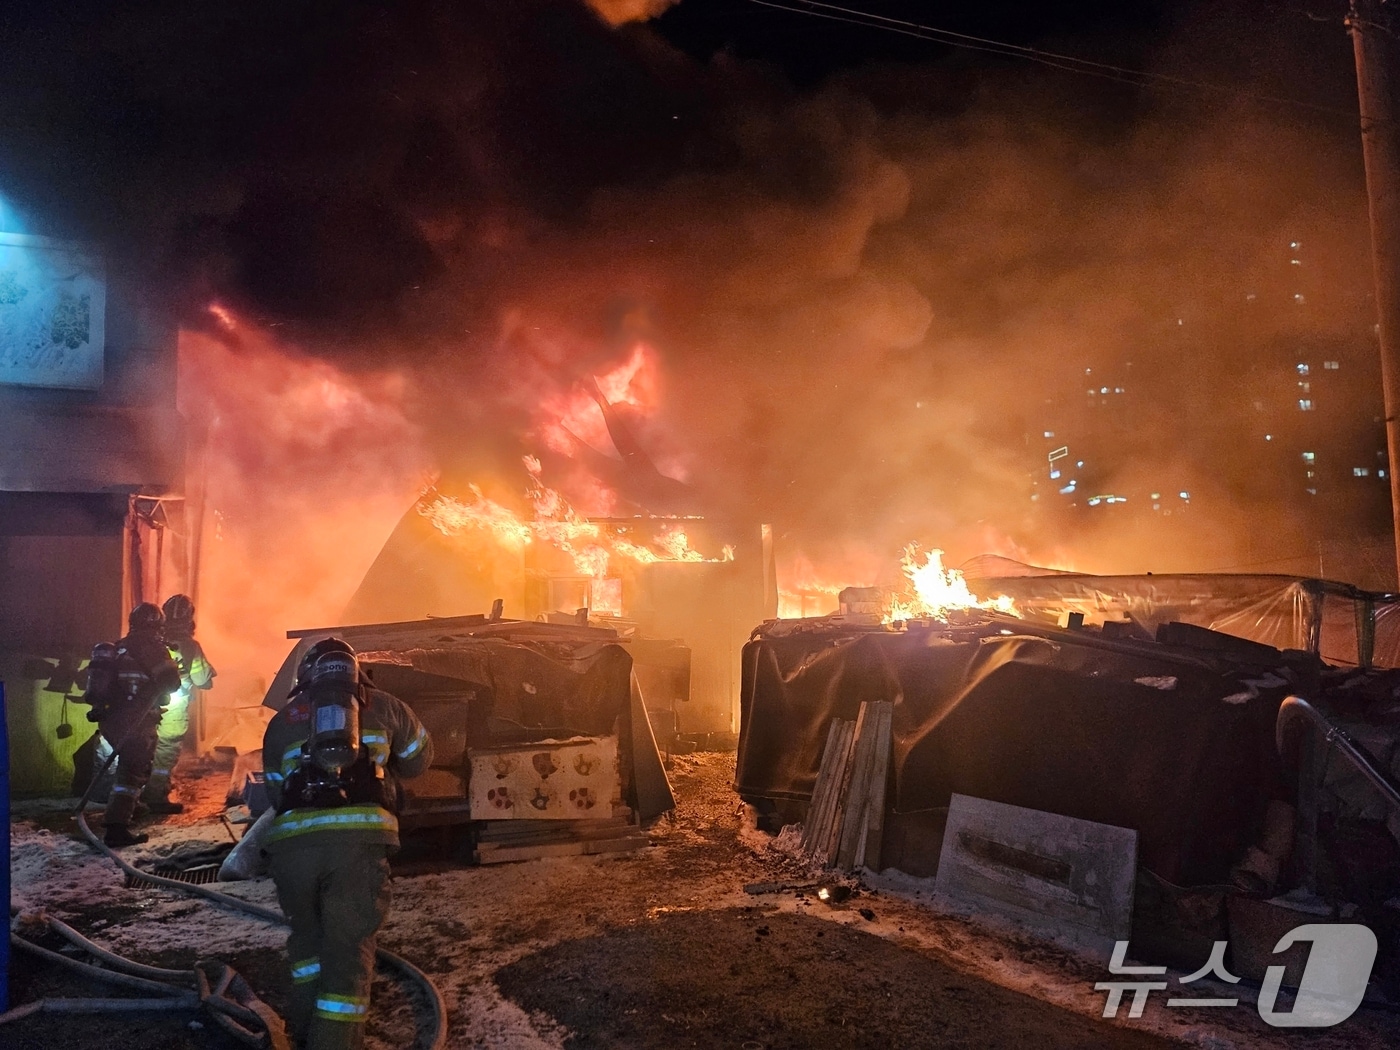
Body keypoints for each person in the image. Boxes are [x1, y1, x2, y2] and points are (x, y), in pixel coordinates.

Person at [262, 638, 433, 1050]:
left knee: (306, 947)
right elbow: (419, 760)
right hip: (356, 849)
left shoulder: (283, 720)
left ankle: (304, 1034)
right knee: (347, 955)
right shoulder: (386, 706)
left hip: (293, 854)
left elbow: (273, 794)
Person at [98, 602, 183, 847]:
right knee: (131, 772)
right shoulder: (153, 647)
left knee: (132, 767)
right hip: (135, 719)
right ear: (157, 625)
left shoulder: (119, 646)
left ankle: (130, 808)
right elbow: (171, 682)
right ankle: (116, 828)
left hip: (112, 719)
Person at [142, 593, 217, 813]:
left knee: (141, 747)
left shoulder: (150, 641)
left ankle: (134, 792)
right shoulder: (190, 646)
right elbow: (202, 679)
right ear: (189, 619)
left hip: (143, 703)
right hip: (173, 706)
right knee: (166, 749)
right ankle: (156, 796)